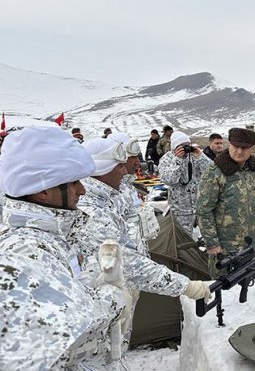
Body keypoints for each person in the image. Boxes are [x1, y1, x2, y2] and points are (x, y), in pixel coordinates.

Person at [0, 127, 128, 369]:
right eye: (73, 183)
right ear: (43, 191)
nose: (82, 190)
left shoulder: (51, 237)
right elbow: (76, 330)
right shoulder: (28, 252)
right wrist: (112, 295)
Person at [73, 138, 211, 352]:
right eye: (120, 165)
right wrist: (186, 286)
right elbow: (125, 262)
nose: (127, 169)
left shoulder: (112, 195)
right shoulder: (92, 210)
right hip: (105, 301)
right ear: (101, 169)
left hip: (122, 290)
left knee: (118, 347)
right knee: (107, 352)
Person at [196, 127, 255, 277]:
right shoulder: (215, 172)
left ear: (251, 148)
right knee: (224, 293)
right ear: (229, 145)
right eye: (235, 147)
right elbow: (204, 210)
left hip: (253, 245)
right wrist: (212, 243)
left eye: (244, 148)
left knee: (250, 291)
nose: (239, 151)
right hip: (224, 249)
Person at [158, 131, 212, 237]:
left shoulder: (195, 156)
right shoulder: (167, 159)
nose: (185, 148)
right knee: (184, 238)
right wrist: (178, 160)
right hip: (180, 210)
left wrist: (200, 156)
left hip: (200, 207)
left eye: (187, 145)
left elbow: (212, 172)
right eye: (181, 146)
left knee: (208, 237)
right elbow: (169, 179)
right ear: (174, 146)